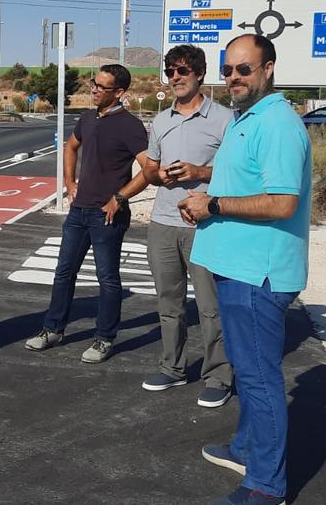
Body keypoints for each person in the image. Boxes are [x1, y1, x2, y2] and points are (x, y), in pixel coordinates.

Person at [178, 34, 312, 505]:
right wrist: (202, 186)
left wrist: (212, 204)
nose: (234, 77)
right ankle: (245, 447)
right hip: (236, 266)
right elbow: (243, 181)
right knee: (250, 370)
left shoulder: (276, 123)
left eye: (245, 69)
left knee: (258, 378)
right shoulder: (245, 118)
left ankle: (266, 485)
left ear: (268, 69)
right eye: (229, 69)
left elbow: (281, 201)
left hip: (258, 273)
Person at [104, 44, 234, 407]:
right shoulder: (160, 121)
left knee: (210, 306)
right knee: (169, 302)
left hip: (205, 225)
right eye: (170, 71)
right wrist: (157, 175)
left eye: (183, 71)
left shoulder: (225, 119)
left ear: (200, 75)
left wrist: (200, 173)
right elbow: (149, 170)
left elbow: (239, 173)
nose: (175, 77)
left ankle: (219, 375)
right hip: (162, 224)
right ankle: (173, 368)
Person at [24, 64, 148, 363]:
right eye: (94, 84)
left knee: (107, 279)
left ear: (119, 93)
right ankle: (53, 329)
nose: (93, 90)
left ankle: (105, 338)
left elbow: (150, 169)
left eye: (101, 87)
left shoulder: (130, 126)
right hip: (79, 212)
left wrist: (120, 198)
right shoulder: (88, 117)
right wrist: (70, 182)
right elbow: (70, 147)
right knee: (64, 272)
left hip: (107, 216)